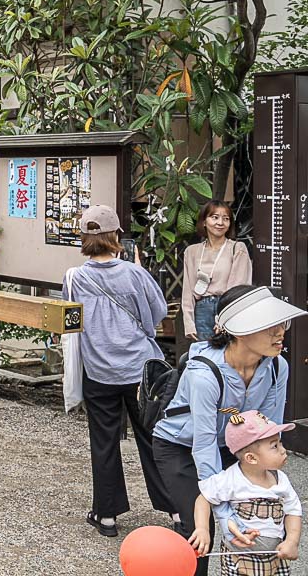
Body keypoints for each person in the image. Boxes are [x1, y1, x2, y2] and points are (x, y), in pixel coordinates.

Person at [153, 284, 306, 576]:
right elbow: (204, 443)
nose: (280, 333)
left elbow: (267, 432)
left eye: (281, 324)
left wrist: (264, 482)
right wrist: (225, 514)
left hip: (232, 445)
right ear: (239, 331)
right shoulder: (204, 375)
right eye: (269, 326)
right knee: (200, 523)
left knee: (252, 521)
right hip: (181, 446)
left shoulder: (277, 367)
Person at [62, 205, 174, 537]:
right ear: (116, 236)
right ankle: (177, 510)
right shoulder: (134, 273)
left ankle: (107, 516)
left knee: (104, 441)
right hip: (139, 369)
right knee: (154, 438)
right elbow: (156, 313)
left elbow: (71, 324)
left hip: (99, 370)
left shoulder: (75, 278)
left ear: (84, 238)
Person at [190, 410, 302, 574]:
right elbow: (204, 498)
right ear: (251, 458)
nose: (283, 450)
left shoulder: (281, 480)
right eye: (275, 446)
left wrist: (292, 541)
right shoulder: (231, 479)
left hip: (275, 555)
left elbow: (293, 510)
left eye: (281, 443)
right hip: (238, 556)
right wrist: (202, 529)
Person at [182, 200, 252, 341]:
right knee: (204, 356)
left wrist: (224, 317)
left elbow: (237, 287)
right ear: (204, 221)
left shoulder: (237, 248)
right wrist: (189, 323)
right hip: (201, 310)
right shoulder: (192, 251)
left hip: (227, 308)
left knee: (227, 357)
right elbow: (187, 290)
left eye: (226, 219)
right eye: (215, 217)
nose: (220, 223)